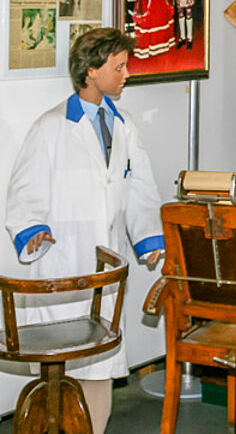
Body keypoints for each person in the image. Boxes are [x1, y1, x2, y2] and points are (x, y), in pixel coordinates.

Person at [5, 27, 164, 434]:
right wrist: (32, 231)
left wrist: (148, 241)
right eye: (119, 67)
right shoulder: (50, 127)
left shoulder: (124, 125)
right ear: (91, 71)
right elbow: (24, 191)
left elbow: (140, 188)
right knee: (63, 367)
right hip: (63, 263)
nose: (126, 74)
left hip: (106, 269)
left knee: (101, 368)